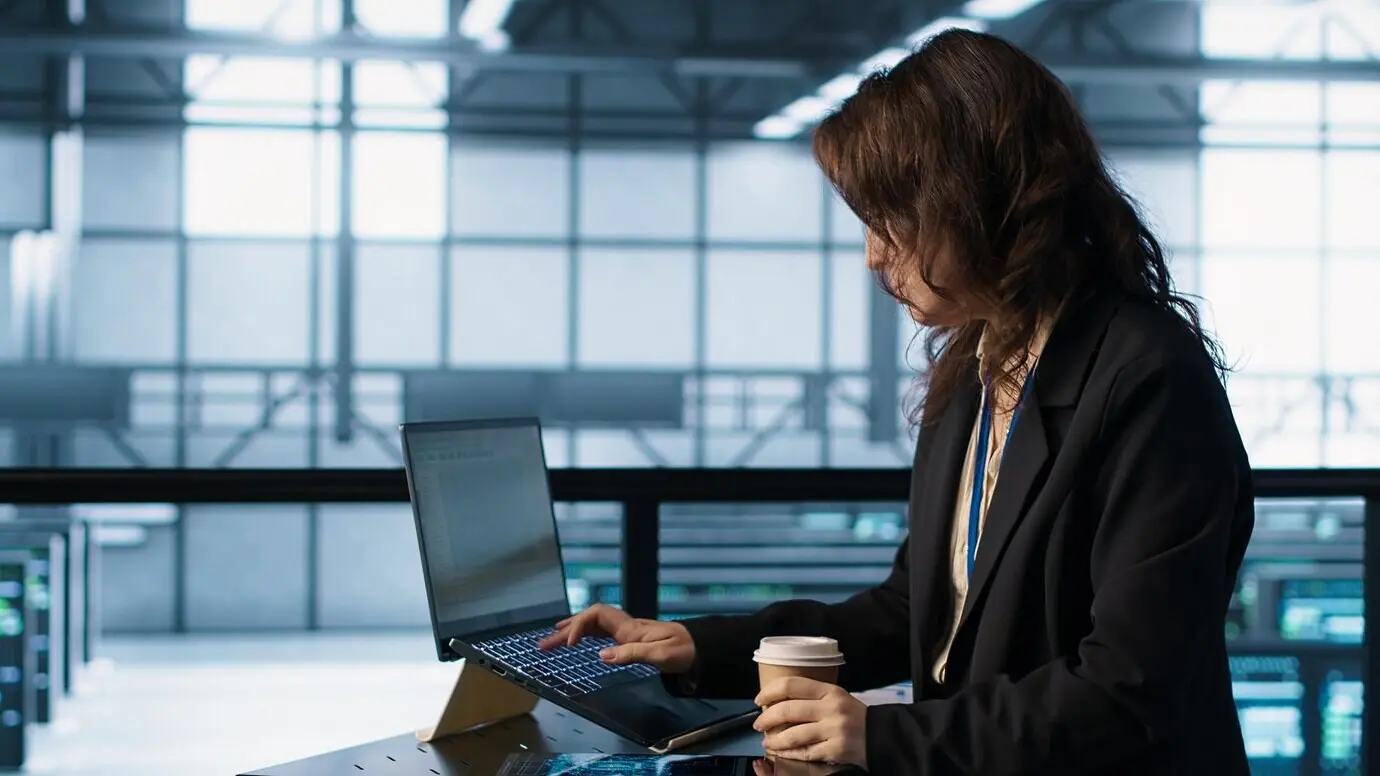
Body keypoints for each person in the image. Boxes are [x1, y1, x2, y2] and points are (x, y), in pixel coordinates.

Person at [539, 29, 1254, 776]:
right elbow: (913, 612)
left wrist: (883, 738)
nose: (875, 255)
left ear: (980, 198)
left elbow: (1129, 690)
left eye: (892, 221)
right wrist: (697, 648)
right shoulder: (972, 371)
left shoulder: (1148, 378)